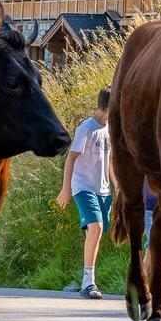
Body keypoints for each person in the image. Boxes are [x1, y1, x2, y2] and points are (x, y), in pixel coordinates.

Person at [56, 88, 111, 299]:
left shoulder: (110, 129)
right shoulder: (86, 128)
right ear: (108, 106)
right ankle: (88, 282)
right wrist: (66, 189)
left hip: (103, 189)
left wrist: (119, 188)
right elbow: (71, 158)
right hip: (83, 186)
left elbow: (111, 162)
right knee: (96, 228)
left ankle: (88, 278)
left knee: (95, 232)